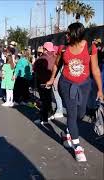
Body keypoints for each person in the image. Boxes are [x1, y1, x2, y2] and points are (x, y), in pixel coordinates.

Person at [46, 22, 103, 162]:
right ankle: (77, 147)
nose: (66, 35)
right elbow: (56, 65)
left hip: (84, 85)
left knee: (81, 114)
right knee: (71, 114)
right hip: (66, 84)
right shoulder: (63, 49)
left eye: (68, 33)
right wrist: (52, 79)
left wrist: (100, 90)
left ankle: (68, 132)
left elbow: (95, 69)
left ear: (76, 34)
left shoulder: (90, 48)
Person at [33, 42, 57, 124]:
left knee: (43, 100)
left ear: (45, 49)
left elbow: (34, 69)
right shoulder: (55, 57)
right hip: (51, 81)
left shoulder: (41, 59)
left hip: (42, 81)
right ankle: (50, 114)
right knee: (48, 98)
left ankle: (44, 119)